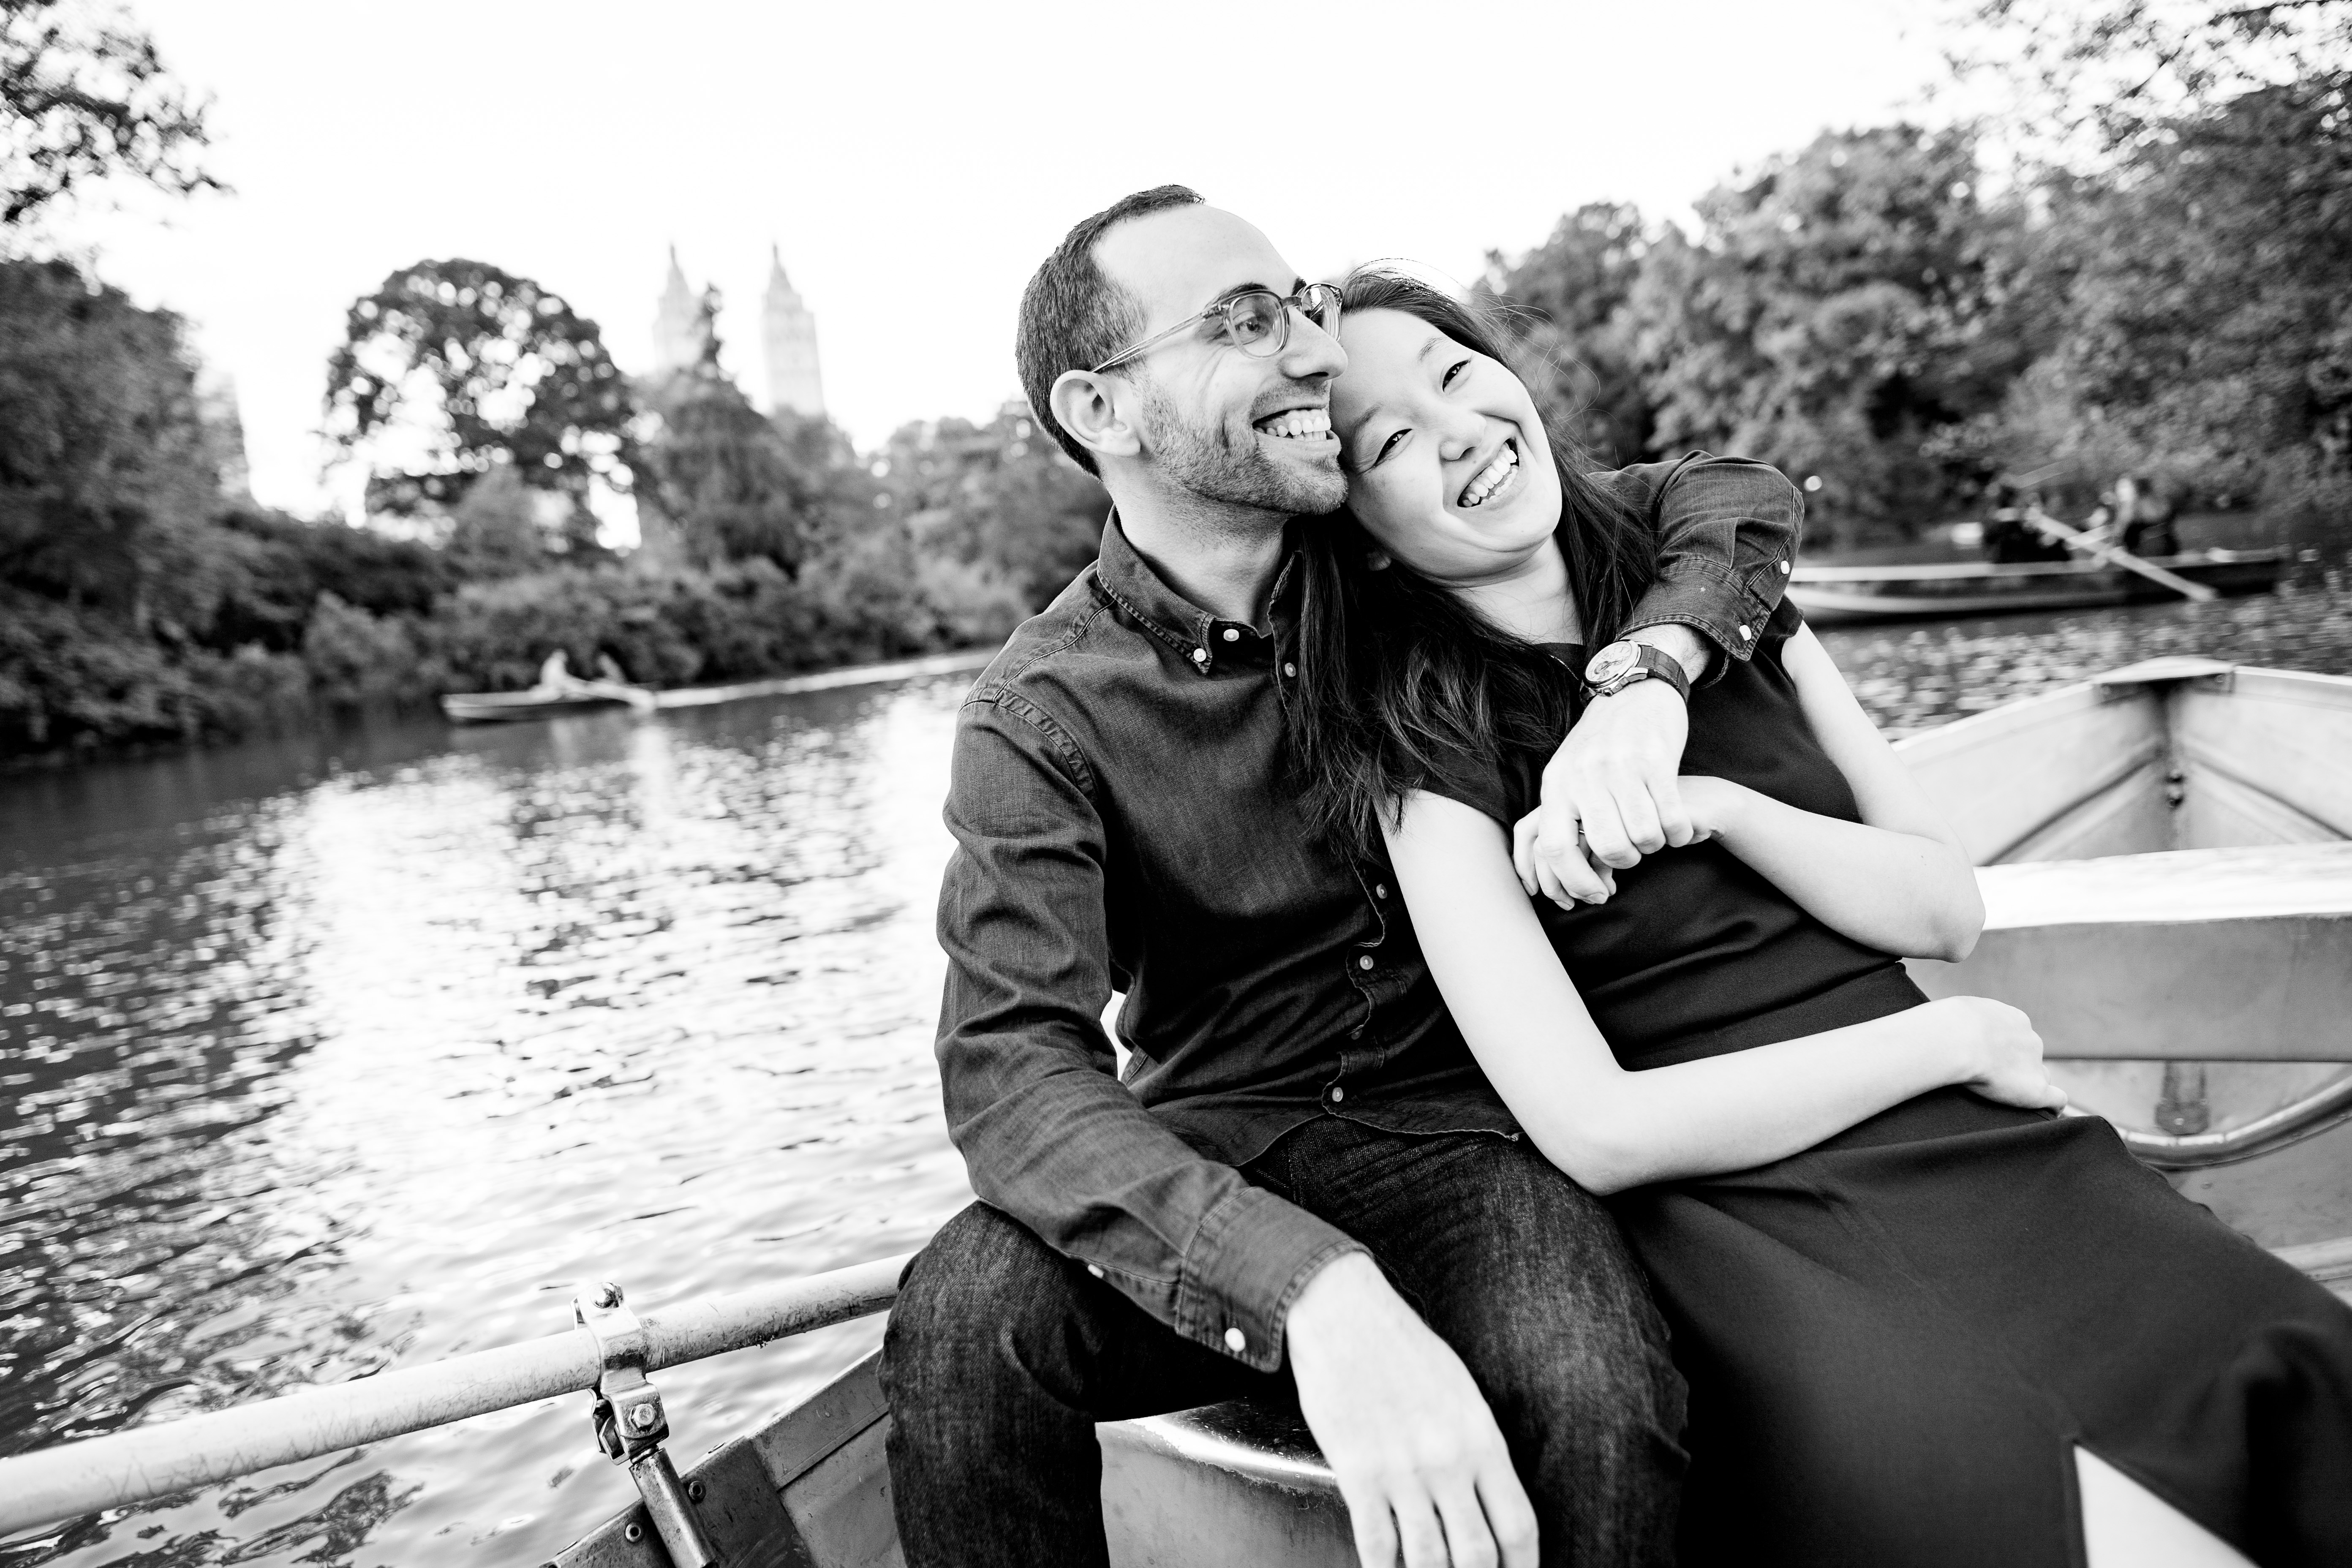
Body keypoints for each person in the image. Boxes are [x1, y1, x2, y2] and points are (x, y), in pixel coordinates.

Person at [1296, 267, 2352, 1568]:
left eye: (1457, 374)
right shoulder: (1417, 748)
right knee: (2059, 1511)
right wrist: (1944, 1043)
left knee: (2290, 1370)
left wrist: (1725, 810)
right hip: (1755, 1204)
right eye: (1392, 439)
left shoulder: (1723, 612)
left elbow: (1944, 906)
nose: (1459, 429)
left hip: (1984, 1148)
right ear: (1363, 531)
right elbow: (1597, 1129)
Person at [881, 186, 1806, 1568]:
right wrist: (1307, 1286)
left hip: (1471, 1137)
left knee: (1593, 1389)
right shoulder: (1039, 714)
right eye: (1247, 323)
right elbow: (1011, 1074)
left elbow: (1723, 497)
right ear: (1101, 408)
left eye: (1302, 306)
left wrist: (1651, 677)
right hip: (1214, 1149)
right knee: (966, 1319)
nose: (1315, 352)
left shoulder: (1398, 541)